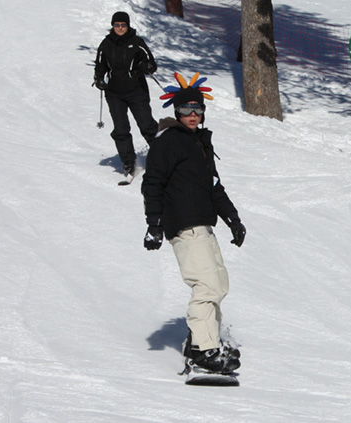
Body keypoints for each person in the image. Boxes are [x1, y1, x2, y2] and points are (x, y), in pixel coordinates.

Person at [141, 74, 246, 373]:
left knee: (219, 285)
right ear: (176, 112)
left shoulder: (199, 143)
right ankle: (204, 350)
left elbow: (214, 187)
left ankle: (204, 340)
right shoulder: (169, 142)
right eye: (186, 110)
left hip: (203, 225)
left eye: (197, 110)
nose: (192, 115)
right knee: (207, 286)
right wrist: (154, 223)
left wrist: (233, 220)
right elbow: (153, 182)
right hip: (183, 225)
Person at [94, 11, 159, 177]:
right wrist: (99, 79)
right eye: (117, 25)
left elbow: (151, 63)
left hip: (136, 91)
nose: (120, 28)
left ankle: (163, 154)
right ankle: (128, 161)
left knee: (147, 125)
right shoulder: (106, 44)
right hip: (114, 93)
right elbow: (100, 65)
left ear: (128, 26)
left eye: (123, 25)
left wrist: (146, 67)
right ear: (112, 26)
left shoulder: (136, 43)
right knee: (121, 128)